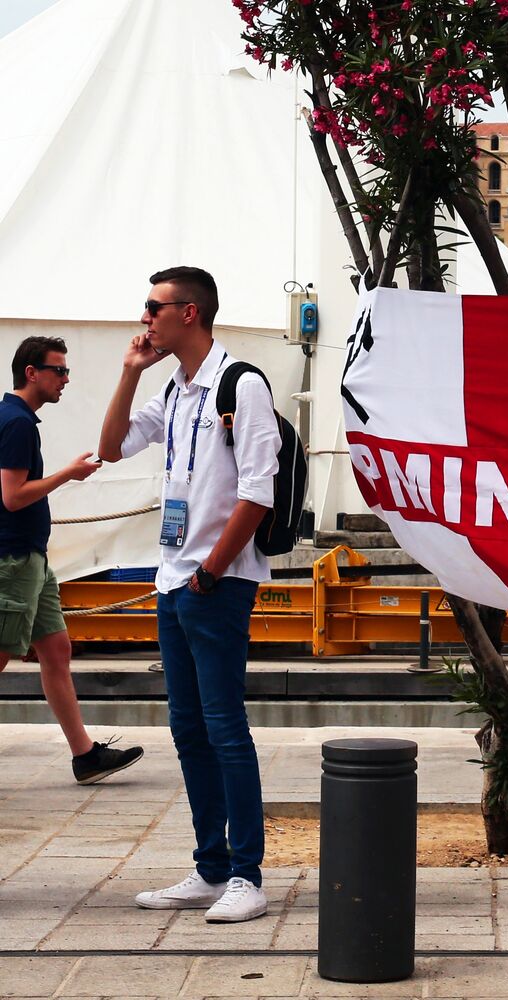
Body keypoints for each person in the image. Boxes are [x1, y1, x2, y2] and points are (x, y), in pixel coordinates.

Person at [98, 267, 280, 922]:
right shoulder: (174, 388)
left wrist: (210, 570)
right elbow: (111, 447)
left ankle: (246, 875)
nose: (145, 317)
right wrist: (130, 372)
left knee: (225, 727)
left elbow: (258, 491)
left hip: (216, 582)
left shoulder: (241, 384)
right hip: (172, 580)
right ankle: (210, 868)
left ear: (190, 313)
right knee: (188, 729)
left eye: (154, 307)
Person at [0, 337, 144, 784]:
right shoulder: (17, 423)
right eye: (58, 370)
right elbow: (12, 497)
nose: (65, 379)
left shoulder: (16, 418)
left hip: (32, 560)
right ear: (32, 373)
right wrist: (68, 473)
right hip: (14, 559)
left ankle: (85, 756)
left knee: (57, 651)